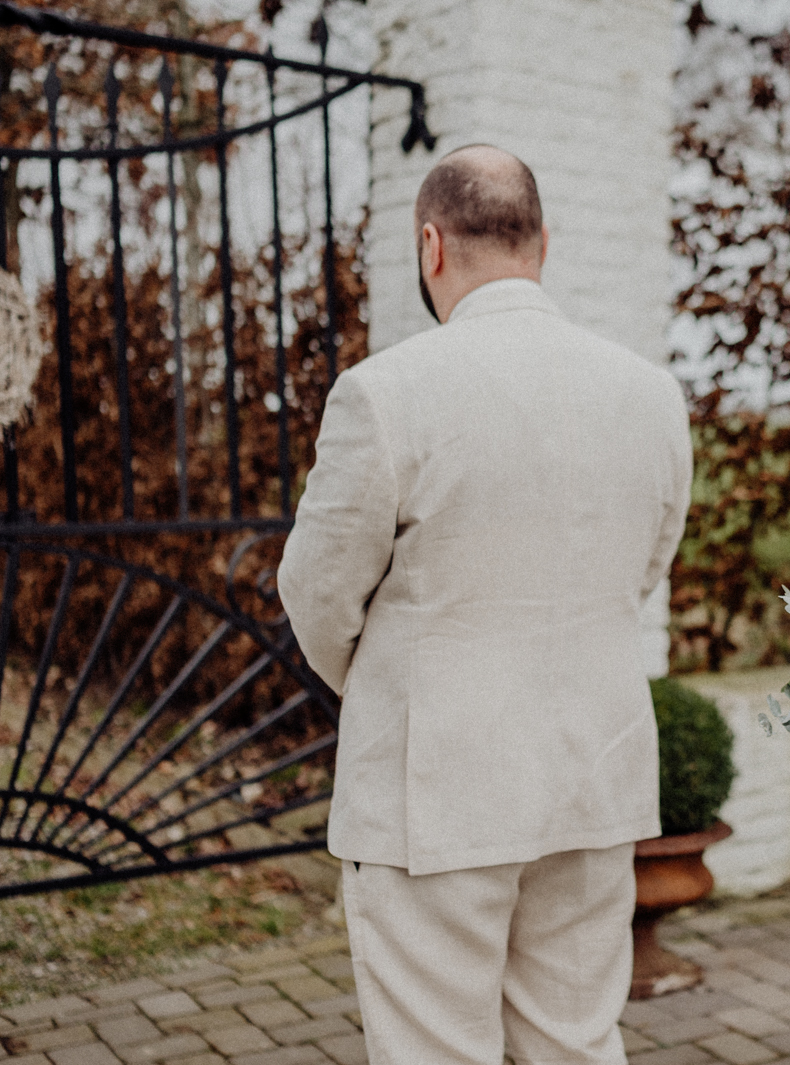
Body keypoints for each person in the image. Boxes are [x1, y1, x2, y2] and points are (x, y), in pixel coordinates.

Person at [277, 144, 692, 1065]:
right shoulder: (651, 395)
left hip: (435, 787)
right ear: (542, 242)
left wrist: (393, 680)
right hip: (592, 772)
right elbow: (643, 568)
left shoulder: (383, 395)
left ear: (430, 246)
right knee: (577, 1044)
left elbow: (316, 590)